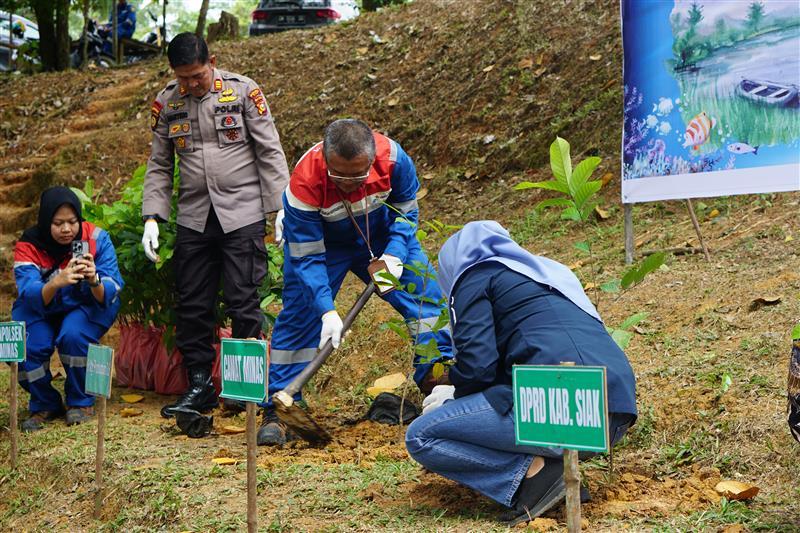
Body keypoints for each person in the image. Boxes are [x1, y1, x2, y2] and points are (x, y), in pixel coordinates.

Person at [405, 220, 637, 525]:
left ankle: (535, 473)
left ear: (452, 263)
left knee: (421, 435)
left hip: (554, 407)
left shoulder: (474, 276)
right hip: (612, 416)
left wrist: (453, 393)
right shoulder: (550, 275)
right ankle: (555, 471)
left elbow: (478, 368)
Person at [260, 118, 454, 445]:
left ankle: (438, 379)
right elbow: (307, 258)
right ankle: (280, 407)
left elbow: (406, 213)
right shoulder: (304, 183)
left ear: (372, 158)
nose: (349, 183)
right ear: (324, 158)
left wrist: (393, 255)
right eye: (339, 175)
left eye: (358, 174)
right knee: (300, 312)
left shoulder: (394, 160)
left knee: (426, 297)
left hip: (381, 237)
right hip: (325, 243)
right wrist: (325, 311)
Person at [142, 33, 289, 419]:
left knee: (243, 300)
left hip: (241, 212)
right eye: (183, 78)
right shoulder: (167, 102)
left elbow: (268, 149)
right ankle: (200, 387)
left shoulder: (242, 92)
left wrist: (282, 206)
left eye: (197, 76)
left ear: (213, 61)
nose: (190, 85)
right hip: (194, 216)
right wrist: (152, 217)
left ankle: (245, 389)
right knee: (192, 304)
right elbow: (160, 164)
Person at [12, 187, 124, 431]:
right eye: (58, 223)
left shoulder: (96, 238)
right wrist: (56, 282)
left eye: (72, 222)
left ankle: (81, 401)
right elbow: (28, 290)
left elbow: (111, 286)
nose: (66, 229)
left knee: (73, 335)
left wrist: (93, 280)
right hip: (42, 305)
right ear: (45, 221)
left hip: (86, 302)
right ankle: (44, 402)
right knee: (29, 345)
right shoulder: (29, 244)